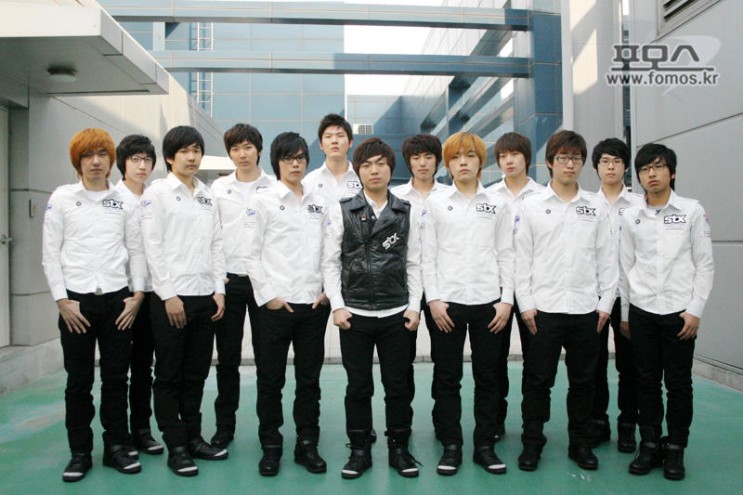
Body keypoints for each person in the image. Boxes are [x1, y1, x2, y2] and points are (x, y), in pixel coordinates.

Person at [43, 128, 146, 481]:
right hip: (76, 306)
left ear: (111, 160)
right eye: (88, 155)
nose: (96, 161)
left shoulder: (123, 201)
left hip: (118, 303)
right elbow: (50, 254)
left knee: (116, 380)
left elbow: (135, 250)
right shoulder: (62, 198)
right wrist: (61, 300)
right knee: (79, 382)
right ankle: (80, 452)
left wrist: (138, 295)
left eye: (102, 154)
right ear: (78, 161)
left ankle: (116, 447)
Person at [515, 130, 618, 472]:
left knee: (584, 382)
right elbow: (522, 259)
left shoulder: (596, 207)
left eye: (576, 158)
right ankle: (532, 443)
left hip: (586, 310)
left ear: (582, 163)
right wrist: (526, 304)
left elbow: (608, 259)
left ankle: (581, 444)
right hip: (543, 310)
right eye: (563, 158)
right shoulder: (532, 205)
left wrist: (605, 305)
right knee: (537, 381)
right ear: (550, 162)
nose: (570, 164)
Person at [322, 137, 422, 479]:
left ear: (391, 169)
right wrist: (338, 306)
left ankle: (399, 449)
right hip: (355, 315)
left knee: (398, 386)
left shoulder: (406, 210)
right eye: (366, 165)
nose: (374, 170)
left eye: (381, 164)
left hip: (397, 313)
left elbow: (415, 262)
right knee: (358, 387)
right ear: (358, 171)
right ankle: (359, 450)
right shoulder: (343, 209)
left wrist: (414, 306)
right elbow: (330, 262)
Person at [422, 131, 514, 476]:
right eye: (456, 157)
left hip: (489, 304)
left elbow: (507, 253)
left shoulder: (498, 203)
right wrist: (433, 300)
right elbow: (427, 256)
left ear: (480, 162)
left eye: (470, 156)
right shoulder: (435, 203)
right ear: (447, 165)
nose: (463, 163)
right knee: (448, 378)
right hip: (447, 306)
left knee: (488, 378)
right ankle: (451, 445)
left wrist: (506, 300)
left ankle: (484, 446)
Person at [621, 144, 714, 481]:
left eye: (659, 167)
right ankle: (648, 445)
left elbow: (704, 264)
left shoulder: (691, 211)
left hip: (679, 313)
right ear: (639, 175)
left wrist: (695, 310)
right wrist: (626, 313)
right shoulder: (631, 216)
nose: (652, 174)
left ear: (671, 172)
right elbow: (625, 267)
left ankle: (675, 448)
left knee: (678, 384)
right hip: (643, 310)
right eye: (646, 169)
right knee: (645, 382)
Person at [139, 126, 228, 477]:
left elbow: (217, 244)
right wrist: (168, 294)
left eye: (196, 151)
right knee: (169, 374)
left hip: (205, 297)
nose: (192, 157)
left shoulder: (206, 195)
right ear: (170, 157)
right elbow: (153, 246)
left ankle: (194, 437)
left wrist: (219, 289)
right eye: (184, 151)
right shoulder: (157, 193)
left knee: (195, 374)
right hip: (171, 300)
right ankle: (176, 445)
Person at [244, 132, 330, 477]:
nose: (295, 164)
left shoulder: (319, 202)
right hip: (276, 308)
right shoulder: (263, 201)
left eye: (300, 158)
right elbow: (250, 254)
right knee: (270, 380)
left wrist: (326, 290)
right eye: (288, 158)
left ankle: (307, 444)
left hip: (313, 306)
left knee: (309, 381)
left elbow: (329, 250)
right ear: (276, 162)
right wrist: (269, 297)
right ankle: (271, 445)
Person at [209, 123, 273, 448]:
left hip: (264, 285)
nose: (242, 154)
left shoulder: (275, 187)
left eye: (248, 147)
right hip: (229, 282)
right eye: (235, 149)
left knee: (267, 360)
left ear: (259, 150)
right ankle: (225, 426)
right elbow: (212, 237)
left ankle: (268, 430)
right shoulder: (218, 188)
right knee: (227, 359)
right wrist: (216, 284)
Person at [487, 131, 544, 440]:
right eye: (503, 156)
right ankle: (495, 421)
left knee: (535, 361)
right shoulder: (489, 197)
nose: (508, 161)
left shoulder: (543, 196)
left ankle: (531, 426)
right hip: (497, 289)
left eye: (514, 155)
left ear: (527, 158)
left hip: (534, 289)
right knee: (495, 360)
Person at [588, 138, 643, 453]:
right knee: (593, 366)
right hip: (594, 297)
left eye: (616, 161)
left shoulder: (639, 205)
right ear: (596, 167)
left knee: (629, 366)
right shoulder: (586, 205)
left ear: (625, 166)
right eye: (605, 161)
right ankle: (597, 424)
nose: (610, 167)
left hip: (630, 297)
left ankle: (627, 427)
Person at [390, 133, 448, 427]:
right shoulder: (396, 197)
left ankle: (443, 420)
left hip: (443, 287)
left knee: (445, 359)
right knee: (402, 360)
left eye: (428, 157)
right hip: (404, 287)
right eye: (416, 158)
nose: (422, 163)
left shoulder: (449, 196)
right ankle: (403, 421)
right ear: (408, 162)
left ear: (437, 161)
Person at [113, 134, 165, 457]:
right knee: (118, 369)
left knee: (145, 365)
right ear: (123, 163)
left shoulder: (155, 196)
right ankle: (120, 436)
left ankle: (142, 431)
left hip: (152, 292)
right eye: (135, 159)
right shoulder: (112, 198)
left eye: (147, 159)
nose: (142, 165)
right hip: (122, 294)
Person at [302, 113, 360, 204]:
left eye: (340, 136)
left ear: (350, 142)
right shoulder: (309, 182)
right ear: (321, 144)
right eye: (328, 136)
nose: (334, 141)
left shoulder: (362, 178)